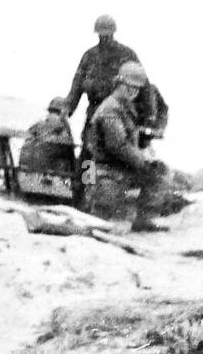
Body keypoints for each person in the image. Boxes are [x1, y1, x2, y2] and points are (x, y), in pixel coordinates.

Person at [81, 60, 167, 232]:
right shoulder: (111, 109)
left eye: (137, 88)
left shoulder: (124, 107)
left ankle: (145, 221)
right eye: (129, 86)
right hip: (106, 172)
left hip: (121, 169)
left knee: (159, 171)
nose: (133, 92)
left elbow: (127, 136)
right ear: (119, 84)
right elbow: (117, 145)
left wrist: (143, 136)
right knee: (100, 220)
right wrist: (142, 160)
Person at [63, 15, 168, 137]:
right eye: (102, 35)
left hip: (120, 117)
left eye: (108, 34)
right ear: (98, 34)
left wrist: (149, 120)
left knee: (120, 148)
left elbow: (144, 86)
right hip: (94, 115)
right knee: (88, 150)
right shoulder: (89, 56)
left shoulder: (127, 54)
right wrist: (64, 113)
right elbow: (76, 89)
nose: (105, 38)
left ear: (113, 33)